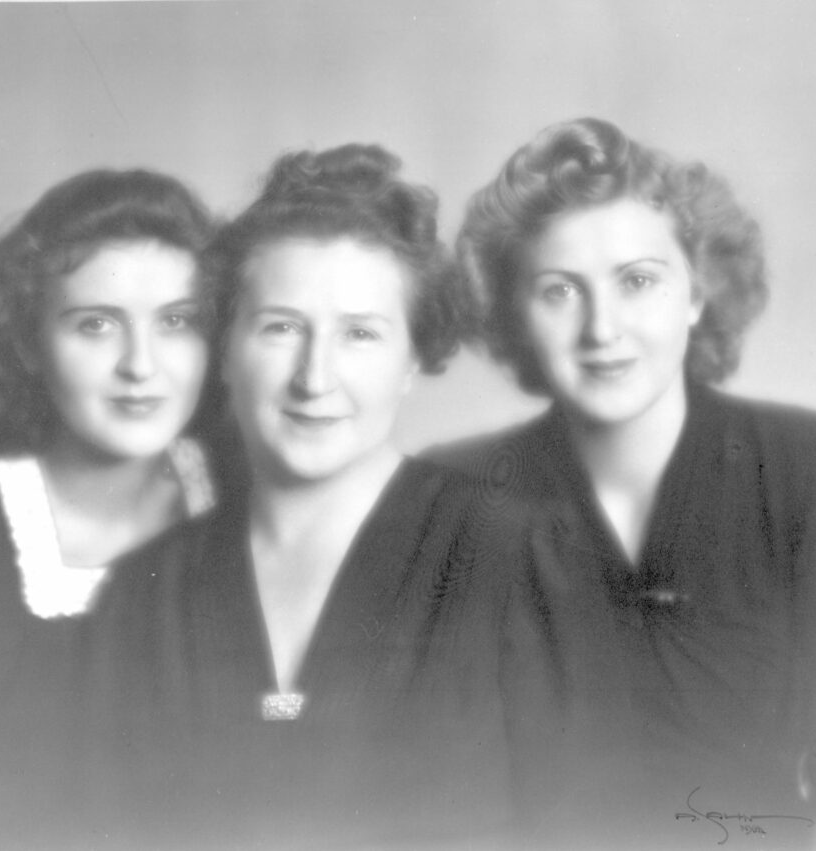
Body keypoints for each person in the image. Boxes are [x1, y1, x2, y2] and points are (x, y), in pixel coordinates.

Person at [89, 144, 524, 849]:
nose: (313, 376)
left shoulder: (521, 557)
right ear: (224, 348)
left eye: (360, 334)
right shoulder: (145, 598)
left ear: (413, 358)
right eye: (281, 327)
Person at [445, 117, 816, 847]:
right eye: (561, 291)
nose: (604, 328)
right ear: (515, 314)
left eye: (638, 281)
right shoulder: (453, 498)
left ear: (698, 293)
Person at [0, 168, 220, 849]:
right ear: (27, 341)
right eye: (96, 325)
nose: (141, 365)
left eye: (178, 322)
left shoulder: (239, 480)